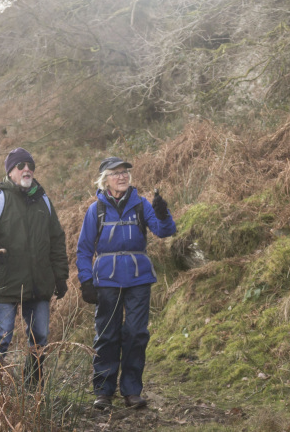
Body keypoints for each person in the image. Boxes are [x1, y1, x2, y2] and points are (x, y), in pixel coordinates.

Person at [75, 156, 177, 411]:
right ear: (104, 180)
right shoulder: (95, 210)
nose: (122, 176)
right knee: (107, 335)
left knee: (136, 333)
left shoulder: (142, 204)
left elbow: (165, 231)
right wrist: (86, 281)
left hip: (138, 279)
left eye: (125, 172)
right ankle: (104, 392)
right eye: (116, 173)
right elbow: (84, 250)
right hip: (106, 281)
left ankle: (132, 391)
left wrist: (163, 214)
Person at [0, 147, 69, 389]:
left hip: (39, 284)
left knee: (39, 339)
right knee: (1, 339)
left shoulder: (44, 200)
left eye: (29, 166)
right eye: (20, 166)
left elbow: (57, 240)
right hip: (5, 282)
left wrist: (60, 276)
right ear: (10, 172)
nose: (26, 169)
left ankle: (33, 390)